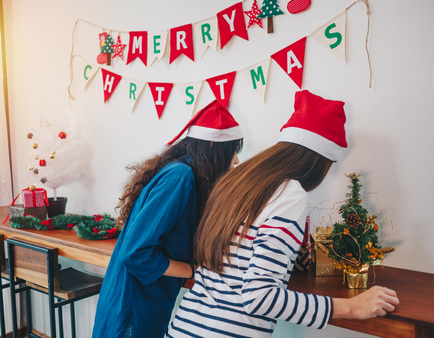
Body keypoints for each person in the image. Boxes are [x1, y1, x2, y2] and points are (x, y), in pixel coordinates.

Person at [167, 90, 399, 338]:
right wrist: (351, 307)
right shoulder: (289, 193)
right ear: (319, 161)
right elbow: (259, 298)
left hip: (184, 326)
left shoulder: (235, 180)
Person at [92, 100, 244, 338]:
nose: (235, 160)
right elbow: (136, 253)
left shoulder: (185, 174)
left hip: (146, 305)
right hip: (133, 310)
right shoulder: (180, 177)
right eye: (234, 151)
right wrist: (193, 271)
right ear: (214, 145)